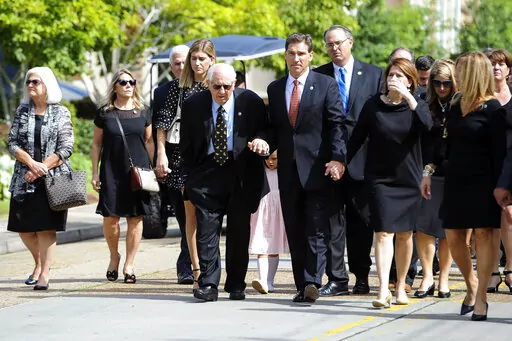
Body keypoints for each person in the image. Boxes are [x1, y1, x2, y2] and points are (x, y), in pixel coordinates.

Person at [258, 33, 347, 303]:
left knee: (316, 228)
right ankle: (302, 285)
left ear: (310, 56)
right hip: (288, 171)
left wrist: (339, 159)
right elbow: (274, 128)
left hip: (318, 170)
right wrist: (264, 142)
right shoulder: (275, 89)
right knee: (295, 228)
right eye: (291, 53)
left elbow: (336, 125)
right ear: (285, 55)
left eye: (301, 54)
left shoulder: (325, 85)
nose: (296, 58)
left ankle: (312, 281)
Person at [347, 58, 432, 308]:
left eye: (399, 76)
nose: (393, 79)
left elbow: (429, 128)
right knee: (383, 232)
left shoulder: (418, 105)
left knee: (405, 235)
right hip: (380, 178)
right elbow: (357, 138)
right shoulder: (373, 105)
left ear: (410, 81)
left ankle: (400, 285)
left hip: (409, 179)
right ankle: (383, 289)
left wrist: (410, 99)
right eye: (390, 75)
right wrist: (340, 162)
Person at [180, 63, 268, 302]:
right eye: (216, 86)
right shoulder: (193, 105)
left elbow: (264, 129)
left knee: (239, 230)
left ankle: (236, 283)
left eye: (227, 87)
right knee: (207, 230)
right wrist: (187, 179)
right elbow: (186, 146)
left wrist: (261, 140)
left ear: (234, 85)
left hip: (241, 170)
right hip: (207, 172)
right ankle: (208, 284)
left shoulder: (250, 102)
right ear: (208, 85)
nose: (222, 91)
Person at [434, 51, 506, 321]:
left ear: (474, 73)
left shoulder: (493, 109)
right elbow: (446, 144)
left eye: (461, 70)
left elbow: (501, 153)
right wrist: (431, 169)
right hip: (456, 180)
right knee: (453, 234)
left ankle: (482, 299)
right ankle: (471, 283)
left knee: (485, 235)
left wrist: (503, 187)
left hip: (484, 183)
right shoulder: (455, 104)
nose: (456, 75)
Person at [313, 25, 383, 296]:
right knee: (332, 223)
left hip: (362, 162)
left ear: (350, 43)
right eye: (330, 44)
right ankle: (337, 278)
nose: (335, 48)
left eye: (339, 43)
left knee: (361, 224)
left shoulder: (374, 75)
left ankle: (361, 275)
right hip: (328, 161)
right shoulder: (319, 75)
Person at [155, 39, 216, 289]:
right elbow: (162, 124)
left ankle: (215, 267)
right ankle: (196, 269)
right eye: (194, 58)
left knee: (209, 217)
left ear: (212, 60)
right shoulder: (178, 88)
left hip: (215, 155)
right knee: (188, 216)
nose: (197, 63)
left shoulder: (218, 84)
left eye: (202, 58)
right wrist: (161, 154)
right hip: (183, 157)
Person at [7, 67, 74, 291]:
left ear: (47, 84)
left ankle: (45, 273)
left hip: (52, 179)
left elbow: (67, 147)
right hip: (23, 178)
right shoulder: (22, 111)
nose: (30, 86)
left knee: (46, 228)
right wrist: (30, 163)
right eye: (28, 82)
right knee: (23, 227)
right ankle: (38, 263)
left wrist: (41, 167)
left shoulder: (61, 113)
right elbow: (12, 143)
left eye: (35, 81)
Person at [91, 69, 154, 284]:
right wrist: (94, 172)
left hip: (137, 172)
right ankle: (113, 257)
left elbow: (149, 141)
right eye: (123, 82)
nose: (128, 85)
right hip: (110, 170)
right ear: (115, 86)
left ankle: (130, 263)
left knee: (136, 218)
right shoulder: (104, 113)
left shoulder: (144, 111)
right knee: (111, 218)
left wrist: (153, 169)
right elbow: (96, 143)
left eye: (132, 82)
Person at [152, 44, 194, 285]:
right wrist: (160, 155)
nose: (181, 67)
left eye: (184, 62)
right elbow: (160, 125)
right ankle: (186, 265)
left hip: (198, 156)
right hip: (173, 157)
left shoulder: (204, 86)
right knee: (183, 215)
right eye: (176, 63)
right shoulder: (163, 92)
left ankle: (191, 265)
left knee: (198, 215)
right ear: (171, 66)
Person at [417, 59, 456, 299]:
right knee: (424, 226)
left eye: (446, 83)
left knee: (447, 230)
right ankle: (427, 276)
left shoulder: (459, 104)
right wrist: (426, 169)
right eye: (437, 83)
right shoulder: (423, 103)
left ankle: (443, 277)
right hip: (424, 173)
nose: (442, 88)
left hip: (450, 172)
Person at [485, 48, 512, 294]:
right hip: (487, 163)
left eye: (501, 64)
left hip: (511, 162)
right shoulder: (482, 96)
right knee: (491, 221)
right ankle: (493, 272)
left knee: (510, 217)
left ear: (508, 70)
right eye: (493, 64)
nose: (497, 68)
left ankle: (511, 269)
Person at [249, 150, 289, 294]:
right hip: (262, 209)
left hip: (278, 210)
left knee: (274, 247)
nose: (270, 162)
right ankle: (263, 280)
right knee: (261, 246)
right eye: (267, 159)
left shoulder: (283, 172)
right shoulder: (260, 171)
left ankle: (270, 281)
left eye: (274, 159)